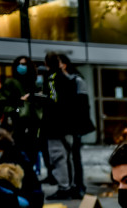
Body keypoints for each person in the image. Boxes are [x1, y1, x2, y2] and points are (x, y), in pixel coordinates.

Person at [42, 52, 94, 199]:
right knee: (70, 157)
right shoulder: (68, 80)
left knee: (70, 157)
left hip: (71, 126)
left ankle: (76, 186)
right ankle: (74, 186)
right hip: (71, 126)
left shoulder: (73, 81)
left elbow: (81, 106)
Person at [0, 128, 44, 208]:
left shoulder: (13, 160)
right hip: (27, 197)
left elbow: (8, 187)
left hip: (28, 199)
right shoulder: (12, 155)